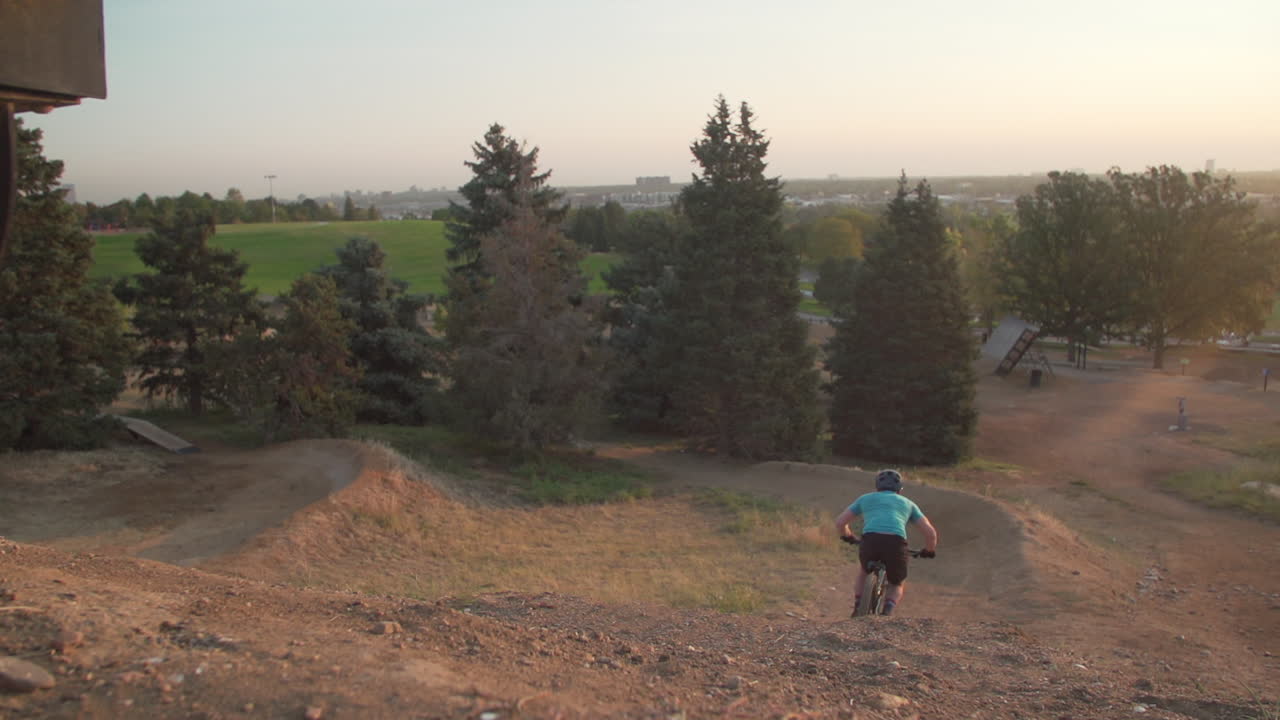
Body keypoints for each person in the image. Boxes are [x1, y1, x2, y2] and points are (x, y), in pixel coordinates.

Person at [834, 469, 938, 616]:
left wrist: (848, 536)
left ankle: (858, 606)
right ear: (900, 490)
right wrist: (929, 550)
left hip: (870, 540)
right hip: (895, 543)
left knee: (864, 571)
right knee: (896, 582)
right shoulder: (908, 504)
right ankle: (887, 611)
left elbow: (840, 522)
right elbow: (930, 533)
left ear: (877, 486)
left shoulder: (865, 499)